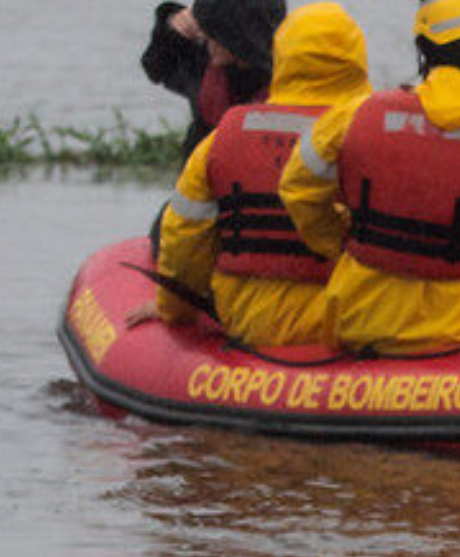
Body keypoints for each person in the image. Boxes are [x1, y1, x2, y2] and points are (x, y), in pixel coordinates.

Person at [277, 0, 460, 354]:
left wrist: (340, 244)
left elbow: (297, 190)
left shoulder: (354, 117)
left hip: (362, 318)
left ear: (423, 47)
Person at [126, 3, 372, 347]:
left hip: (252, 317)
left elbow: (183, 238)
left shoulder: (222, 140)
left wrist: (174, 308)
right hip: (355, 316)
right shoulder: (377, 135)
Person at [141, 0, 287, 154]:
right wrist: (172, 26)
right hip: (201, 165)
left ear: (238, 39)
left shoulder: (286, 79)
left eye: (214, 32)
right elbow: (156, 67)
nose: (204, 36)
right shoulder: (204, 65)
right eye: (205, 28)